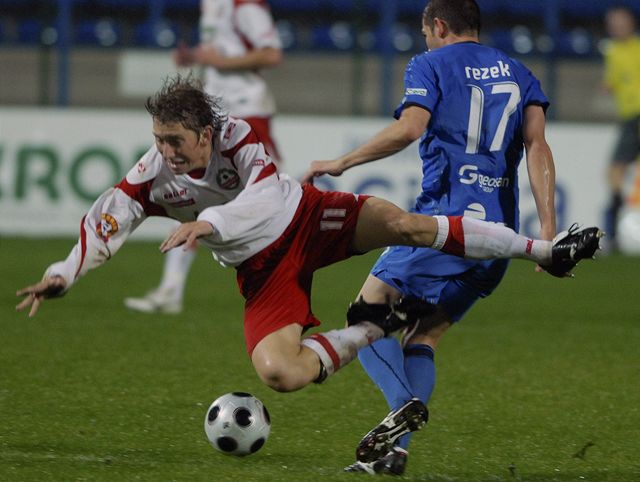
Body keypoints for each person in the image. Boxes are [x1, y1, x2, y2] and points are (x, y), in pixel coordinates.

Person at [16, 76, 600, 397]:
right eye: (159, 139)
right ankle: (373, 327)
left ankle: (545, 248)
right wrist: (66, 272)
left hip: (307, 218)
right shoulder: (154, 175)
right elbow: (107, 218)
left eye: (174, 140)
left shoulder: (238, 136)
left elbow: (268, 196)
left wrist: (209, 223)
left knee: (407, 224)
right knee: (280, 374)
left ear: (205, 133)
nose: (165, 151)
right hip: (261, 270)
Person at [303, 0, 601, 475]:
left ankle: (402, 405)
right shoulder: (520, 71)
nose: (425, 41)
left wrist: (342, 163)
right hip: (497, 238)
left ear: (438, 26)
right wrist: (546, 234)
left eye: (426, 32)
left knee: (365, 315)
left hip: (444, 228)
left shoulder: (429, 64)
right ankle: (394, 455)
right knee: (425, 336)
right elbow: (537, 147)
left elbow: (410, 128)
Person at [124, 0, 283, 314]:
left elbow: (271, 53)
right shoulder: (211, 4)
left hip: (246, 111)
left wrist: (221, 62)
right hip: (218, 110)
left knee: (268, 200)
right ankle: (170, 288)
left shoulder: (244, 5)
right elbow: (221, 54)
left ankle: (282, 283)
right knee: (194, 200)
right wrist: (197, 58)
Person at [602, 6, 640, 251]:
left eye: (620, 23)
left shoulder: (637, 47)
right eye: (612, 23)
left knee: (616, 171)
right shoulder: (613, 51)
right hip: (629, 117)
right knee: (615, 172)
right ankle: (615, 232)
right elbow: (612, 83)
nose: (616, 27)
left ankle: (615, 232)